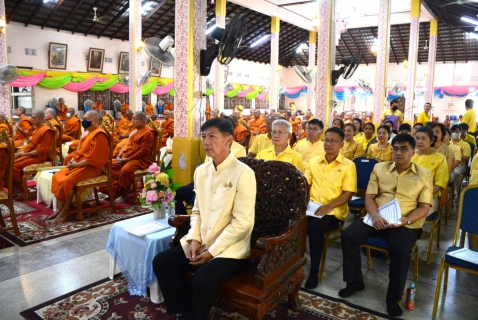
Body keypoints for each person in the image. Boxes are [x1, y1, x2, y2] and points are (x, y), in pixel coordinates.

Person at [152, 117, 256, 320]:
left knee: (202, 279)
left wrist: (212, 252)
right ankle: (184, 309)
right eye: (203, 137)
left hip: (230, 249)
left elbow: (243, 223)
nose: (206, 142)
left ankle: (196, 316)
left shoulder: (244, 173)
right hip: (203, 240)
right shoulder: (201, 171)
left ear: (229, 140)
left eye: (212, 137)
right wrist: (194, 239)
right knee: (162, 262)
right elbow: (197, 211)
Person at [339, 134, 433, 317]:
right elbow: (369, 197)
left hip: (405, 223)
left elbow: (424, 207)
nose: (398, 153)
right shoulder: (379, 168)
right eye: (395, 148)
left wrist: (406, 220)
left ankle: (393, 298)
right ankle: (355, 281)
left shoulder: (424, 174)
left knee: (399, 249)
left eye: (404, 149)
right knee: (348, 235)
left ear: (413, 152)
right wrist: (374, 215)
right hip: (378, 216)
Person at [304, 127, 357, 289]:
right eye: (326, 140)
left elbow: (348, 194)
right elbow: (306, 185)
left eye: (333, 141)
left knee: (314, 228)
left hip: (333, 212)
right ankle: (291, 262)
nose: (328, 144)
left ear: (341, 145)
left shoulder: (348, 165)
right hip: (311, 207)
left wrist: (328, 206)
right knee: (291, 222)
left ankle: (314, 271)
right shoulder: (314, 162)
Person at [49, 111, 109, 222]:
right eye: (83, 118)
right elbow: (80, 151)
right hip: (81, 164)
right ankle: (59, 207)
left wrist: (76, 164)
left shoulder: (99, 135)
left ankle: (65, 210)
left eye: (86, 119)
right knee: (57, 176)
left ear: (95, 122)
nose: (83, 121)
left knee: (68, 181)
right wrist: (73, 160)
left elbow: (94, 158)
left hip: (94, 167)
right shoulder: (89, 133)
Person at [111, 112, 155, 204]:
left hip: (142, 160)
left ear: (143, 121)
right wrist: (119, 157)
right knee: (111, 165)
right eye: (133, 119)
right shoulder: (135, 132)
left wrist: (127, 160)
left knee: (126, 169)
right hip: (127, 156)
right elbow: (127, 144)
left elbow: (143, 151)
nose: (133, 121)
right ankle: (115, 192)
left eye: (135, 119)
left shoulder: (148, 133)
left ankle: (124, 193)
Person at [13, 110, 55, 199]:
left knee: (14, 166)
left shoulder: (47, 131)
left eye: (34, 117)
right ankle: (18, 188)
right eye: (31, 117)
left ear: (41, 119)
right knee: (9, 162)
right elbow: (32, 145)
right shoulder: (37, 129)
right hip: (31, 154)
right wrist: (22, 152)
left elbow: (41, 151)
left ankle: (24, 190)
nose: (31, 119)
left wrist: (23, 154)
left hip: (39, 157)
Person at [412, 126, 449, 215]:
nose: (419, 141)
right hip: (408, 195)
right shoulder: (410, 154)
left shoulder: (440, 158)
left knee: (415, 214)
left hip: (429, 197)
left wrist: (420, 194)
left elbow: (440, 184)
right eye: (417, 138)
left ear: (431, 141)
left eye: (424, 139)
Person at [451, 124, 471, 193]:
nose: (455, 133)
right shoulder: (448, 143)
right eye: (453, 132)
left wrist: (457, 155)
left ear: (460, 132)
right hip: (448, 163)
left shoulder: (465, 145)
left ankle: (456, 194)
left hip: (460, 165)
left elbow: (467, 157)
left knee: (456, 173)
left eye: (457, 132)